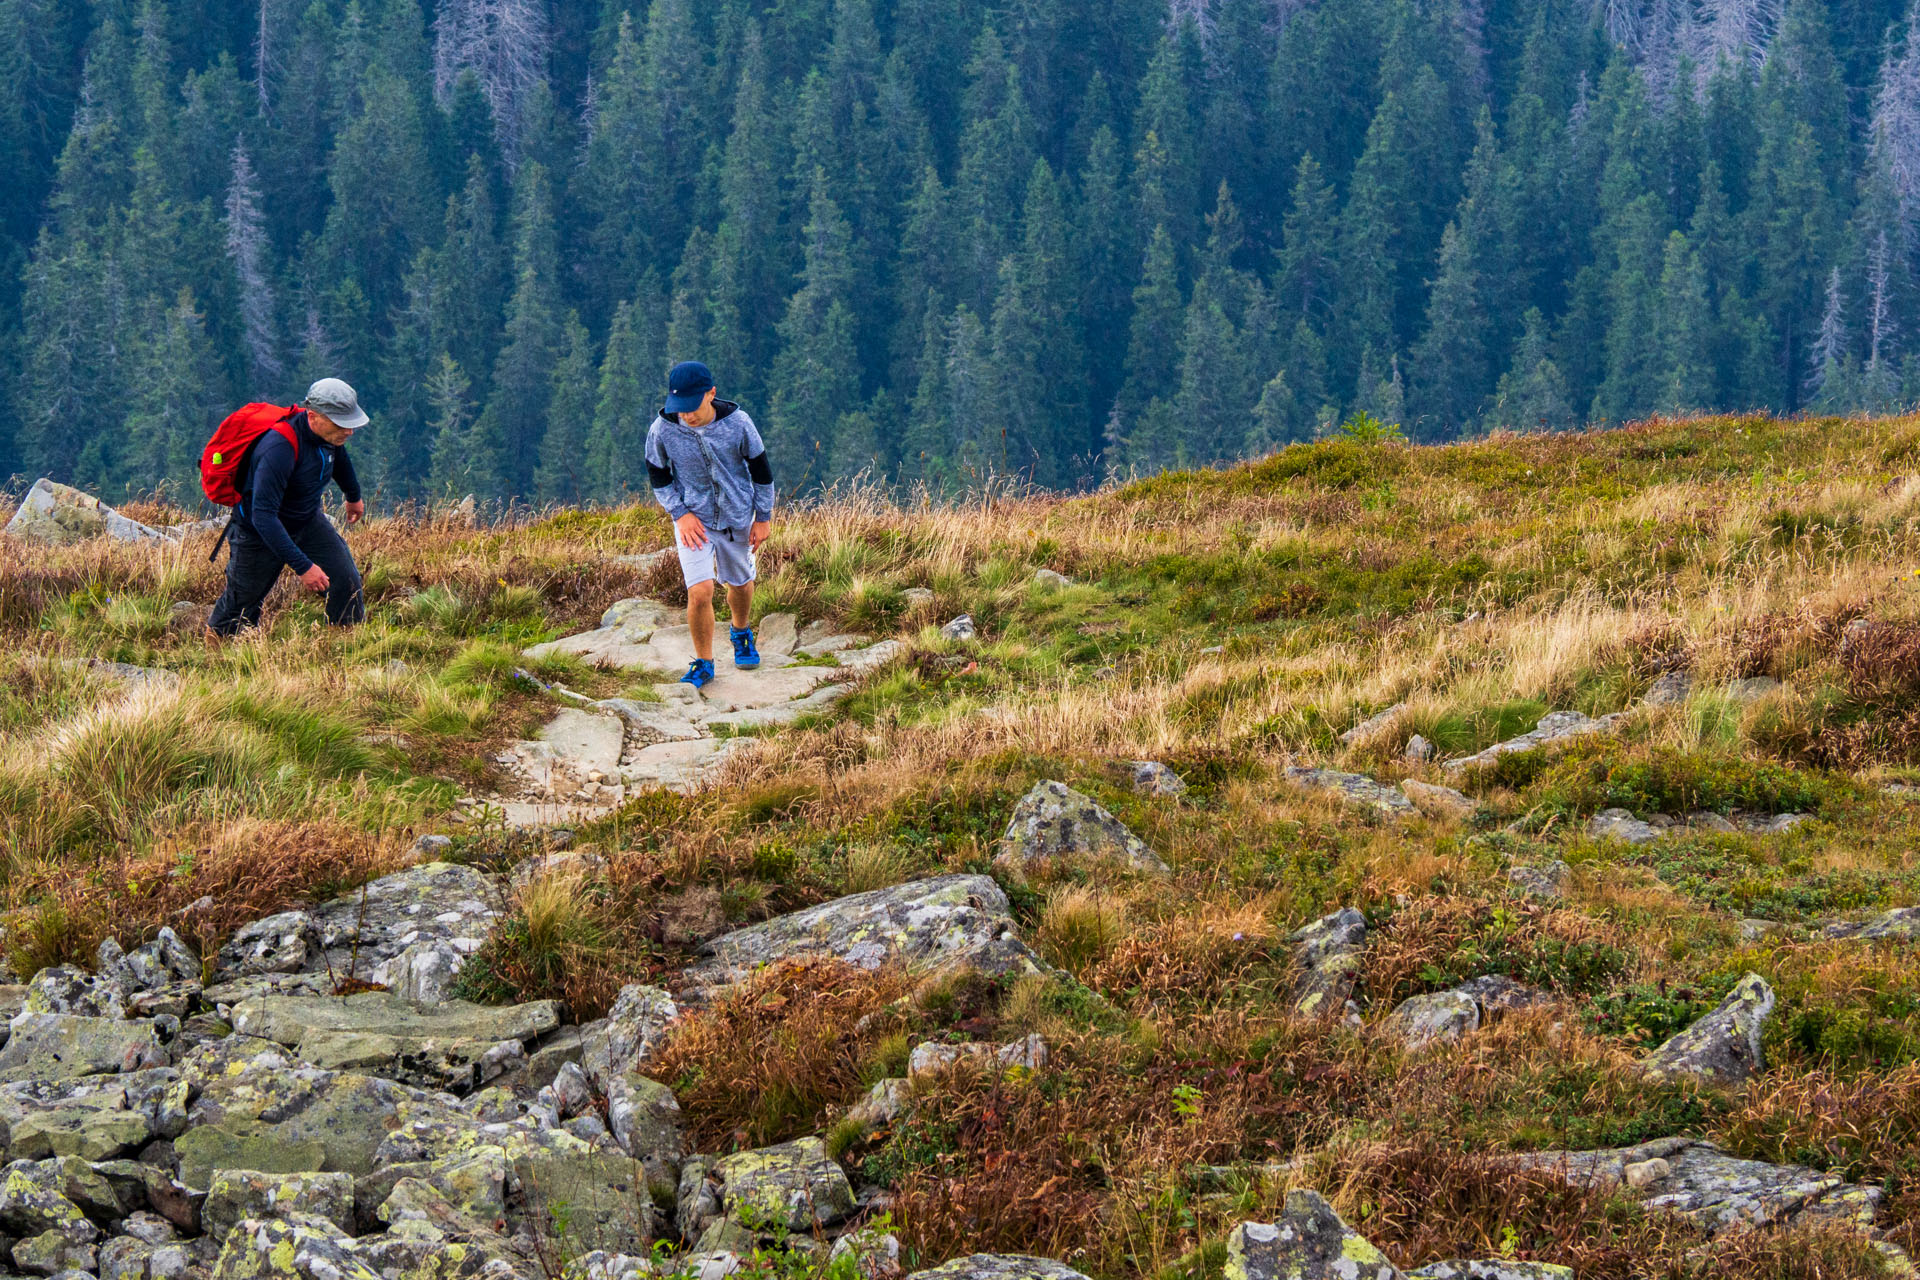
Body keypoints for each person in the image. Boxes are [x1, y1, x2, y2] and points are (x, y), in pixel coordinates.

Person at [644, 361, 775, 688]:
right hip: (694, 521)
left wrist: (763, 518)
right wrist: (680, 513)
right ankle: (704, 663)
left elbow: (761, 472)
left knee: (741, 585)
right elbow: (658, 476)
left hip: (737, 517)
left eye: (692, 407)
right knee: (700, 592)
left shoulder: (739, 423)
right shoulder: (663, 429)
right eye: (679, 408)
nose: (686, 415)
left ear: (711, 394)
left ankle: (741, 632)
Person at [208, 378, 370, 635]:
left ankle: (343, 648)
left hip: (306, 520)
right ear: (313, 416)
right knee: (241, 605)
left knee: (346, 581)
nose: (349, 431)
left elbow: (338, 454)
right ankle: (216, 657)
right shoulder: (279, 448)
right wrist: (303, 566)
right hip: (258, 532)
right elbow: (263, 517)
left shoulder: (329, 435)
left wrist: (353, 495)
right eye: (342, 423)